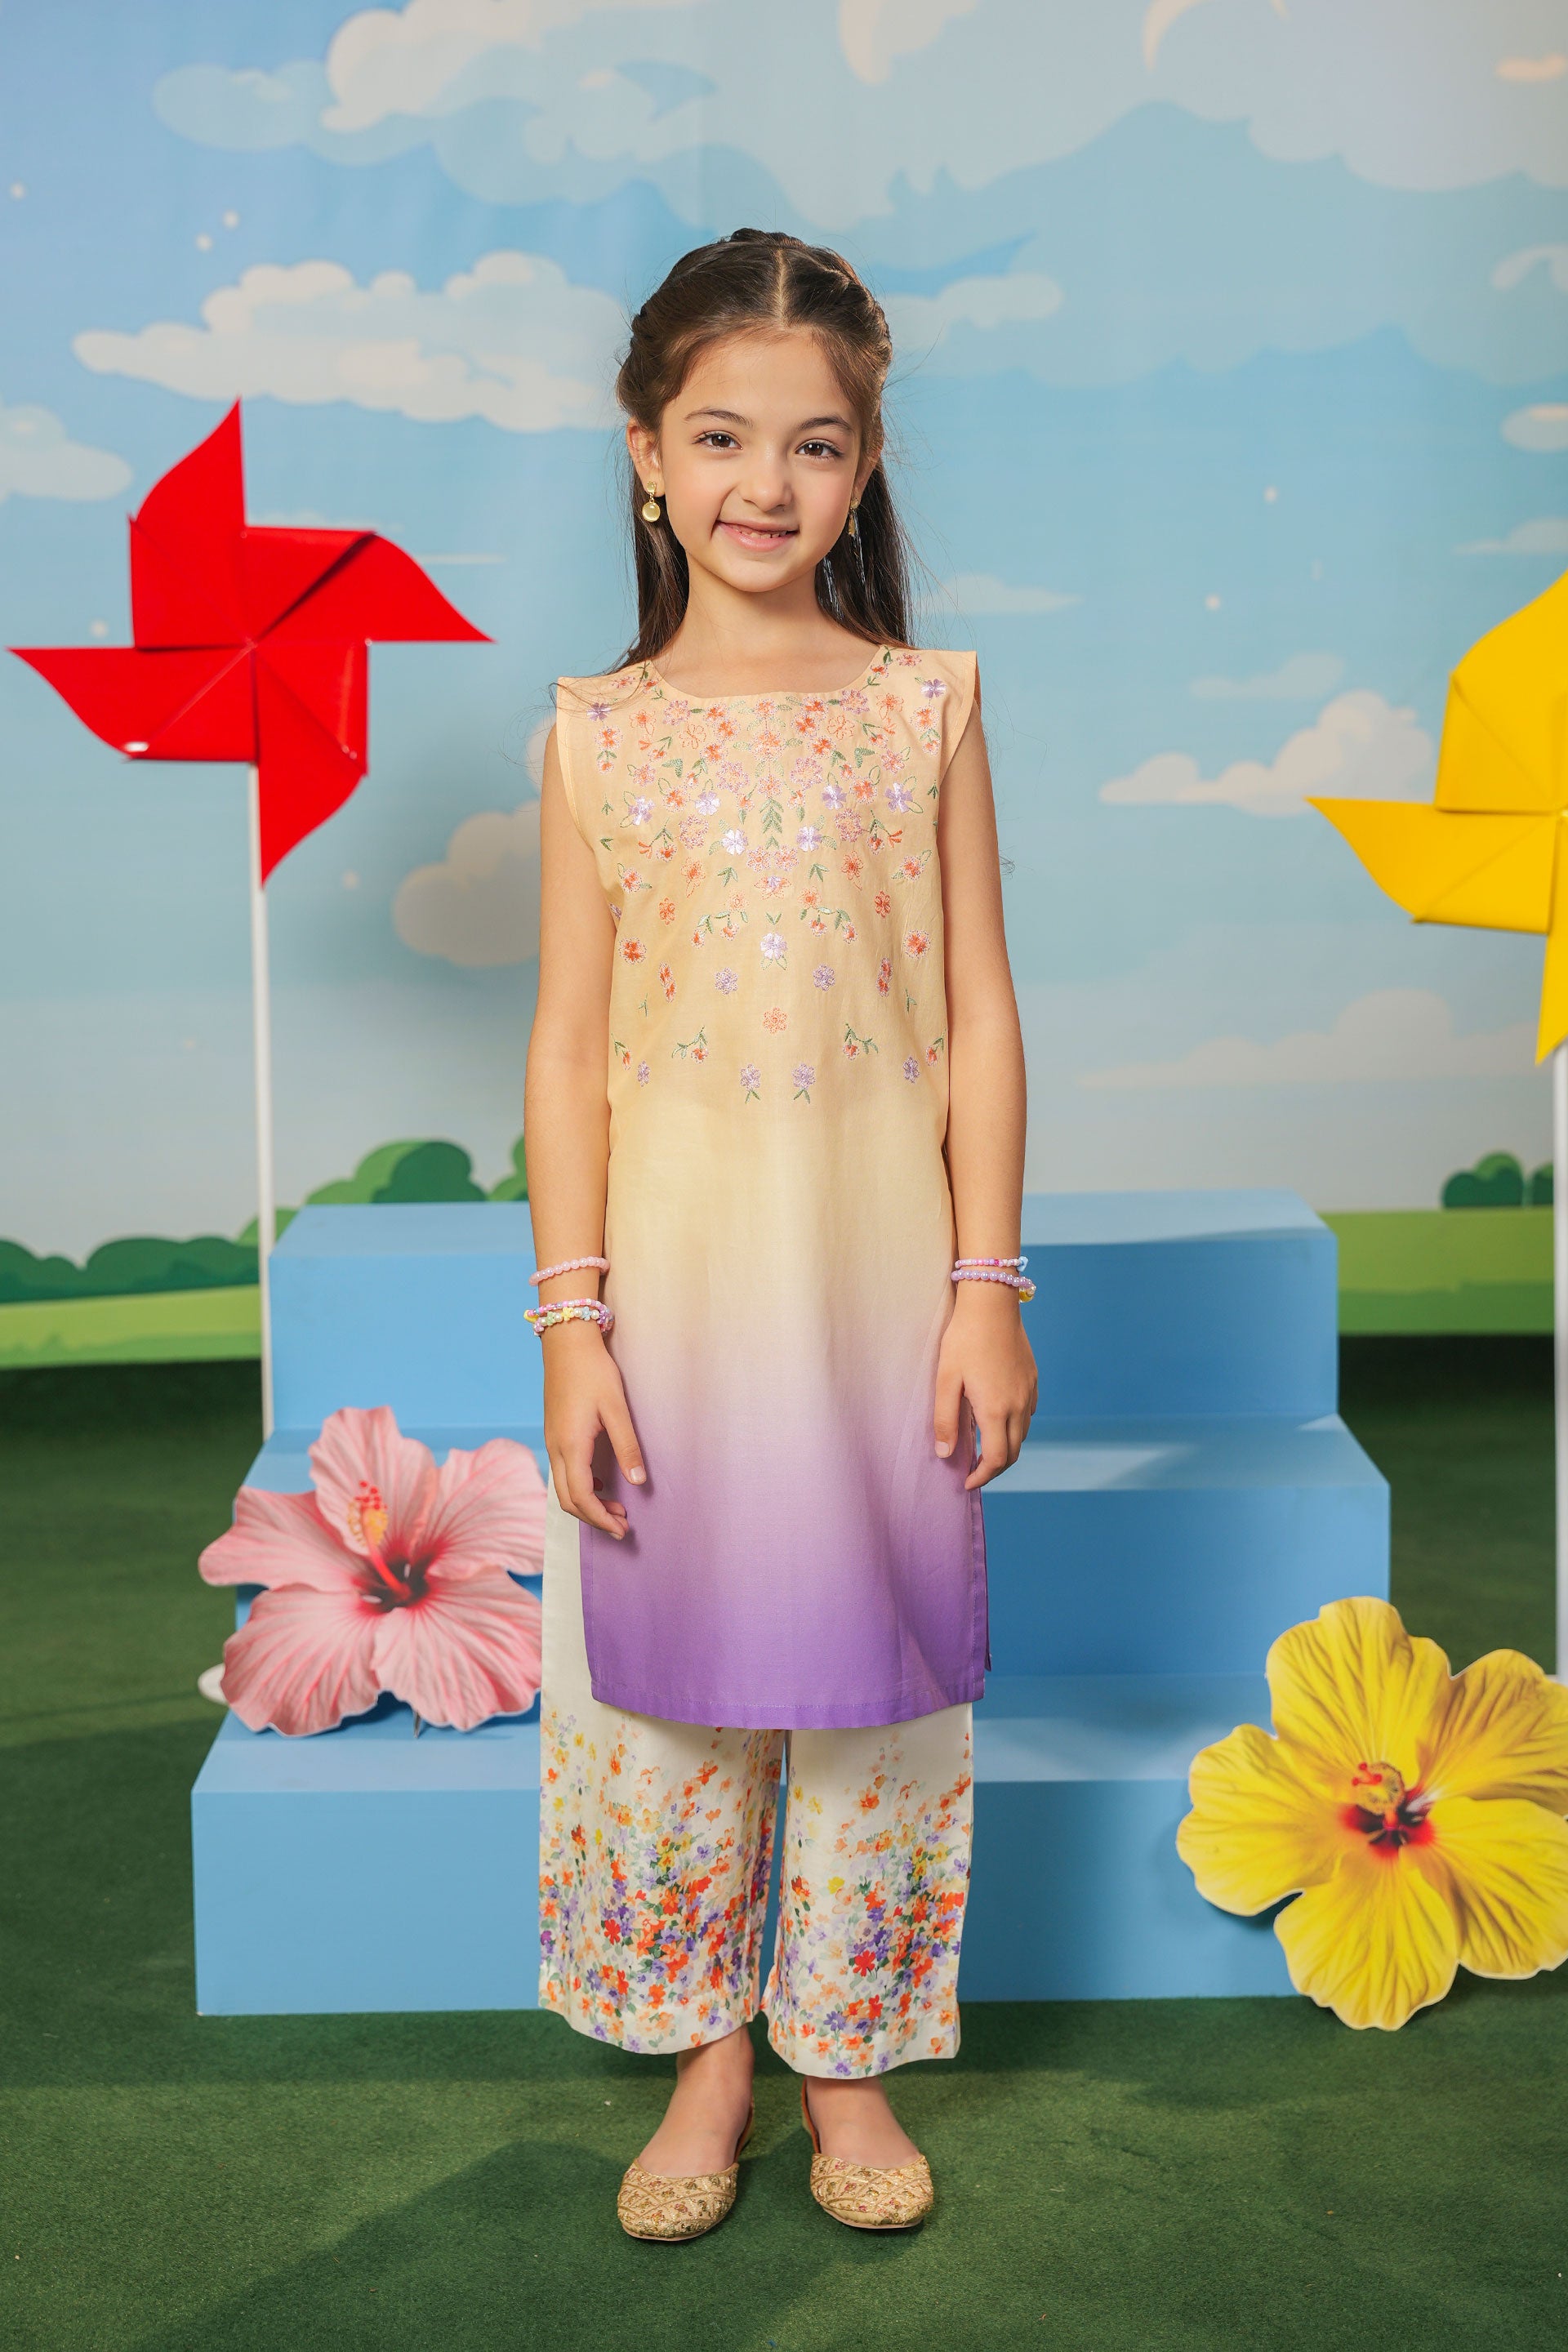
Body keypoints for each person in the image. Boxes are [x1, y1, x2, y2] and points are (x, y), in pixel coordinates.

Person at [523, 228, 1036, 2242]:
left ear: (865, 465)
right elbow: (567, 1051)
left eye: (815, 444)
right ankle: (704, 2055)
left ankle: (846, 2052)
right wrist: (574, 1325)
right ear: (646, 453)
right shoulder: (596, 729)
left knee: (873, 1658)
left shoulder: (926, 707)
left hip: (879, 1276)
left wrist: (986, 1288)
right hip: (672, 1285)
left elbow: (981, 1011)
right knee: (672, 1668)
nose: (766, 481)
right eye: (722, 436)